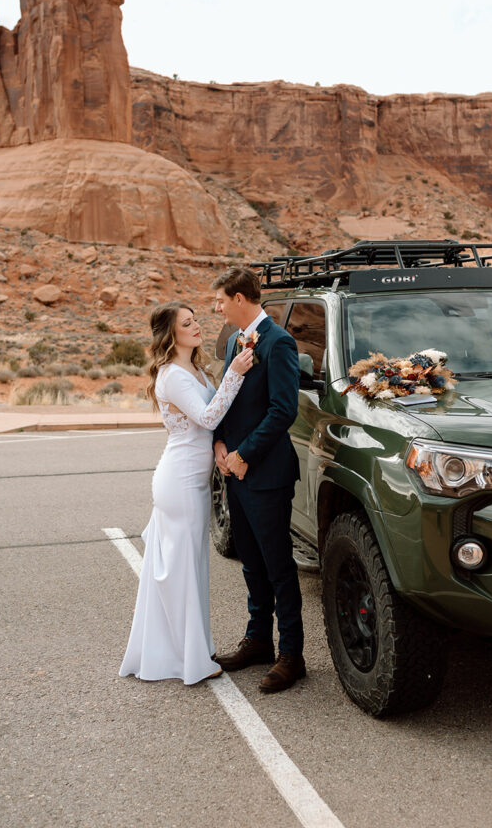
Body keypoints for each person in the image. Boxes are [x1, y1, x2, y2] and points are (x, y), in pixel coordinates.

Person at [119, 301, 254, 685]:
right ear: (170, 333)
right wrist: (235, 374)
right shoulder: (172, 375)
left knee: (189, 567)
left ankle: (188, 648)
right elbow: (209, 416)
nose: (197, 327)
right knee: (182, 571)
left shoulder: (193, 368)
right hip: (179, 481)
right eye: (188, 323)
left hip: (193, 478)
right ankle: (189, 658)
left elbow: (208, 424)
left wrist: (217, 446)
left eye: (197, 321)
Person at [212, 267, 305, 693]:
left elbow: (284, 410)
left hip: (265, 473)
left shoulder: (280, 343)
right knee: (250, 560)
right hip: (234, 470)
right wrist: (219, 446)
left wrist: (246, 454)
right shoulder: (234, 341)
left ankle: (292, 655)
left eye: (221, 300)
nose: (216, 307)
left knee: (278, 565)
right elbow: (225, 399)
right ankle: (258, 640)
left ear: (240, 299)